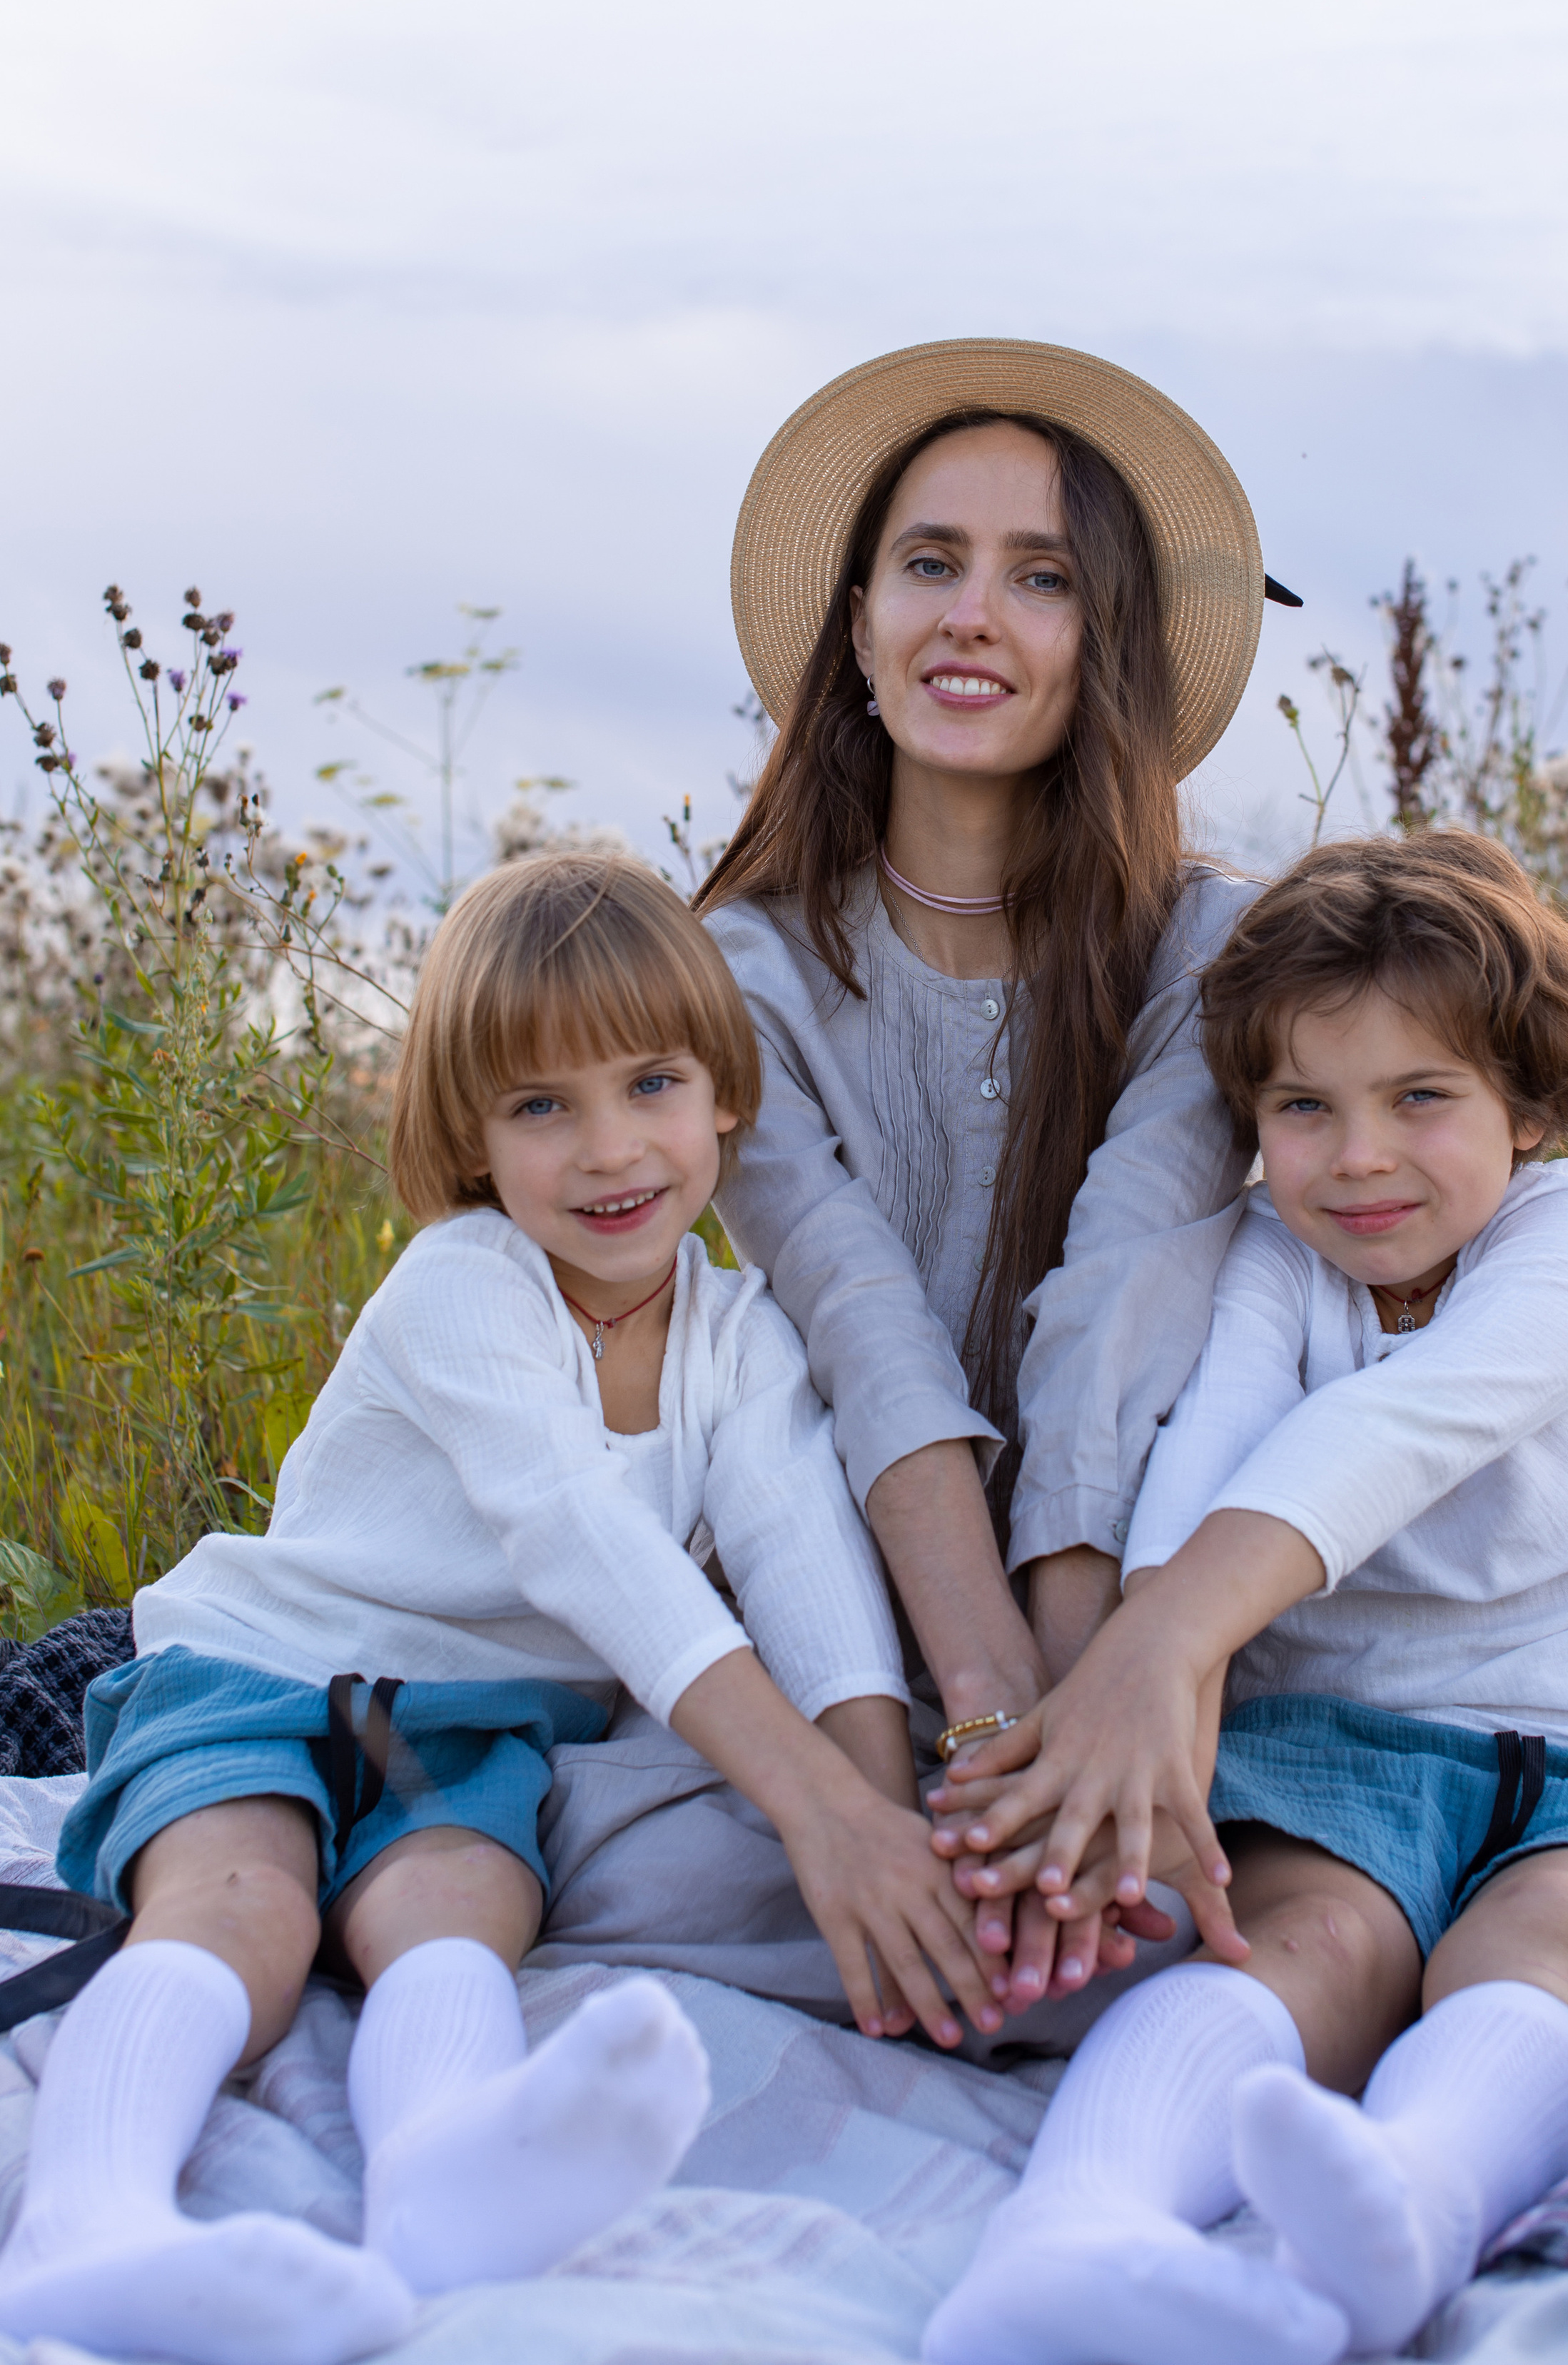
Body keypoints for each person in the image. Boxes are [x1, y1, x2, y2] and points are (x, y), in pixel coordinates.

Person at [0, 853, 992, 2365]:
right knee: (241, 1910)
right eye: (540, 1107)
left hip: (472, 1729)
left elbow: (805, 1567)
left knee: (458, 1919)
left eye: (649, 1083)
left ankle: (439, 2192)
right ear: (470, 1135)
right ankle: (90, 2220)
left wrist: (877, 1827)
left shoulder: (738, 1332)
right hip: (260, 1674)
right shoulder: (465, 1283)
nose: (609, 1150)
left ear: (725, 1093)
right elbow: (579, 1537)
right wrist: (808, 1812)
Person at [922, 828, 1568, 2365]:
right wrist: (1148, 1670)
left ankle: (1409, 2206)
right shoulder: (1271, 1254)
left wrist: (1160, 1645)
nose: (1356, 1156)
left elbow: (1392, 1432)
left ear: (1521, 1101)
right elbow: (1216, 1447)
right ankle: (1064, 2236)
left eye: (1417, 1097)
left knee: (1544, 1951)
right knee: (1300, 1950)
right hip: (1345, 1762)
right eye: (1302, 1107)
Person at [537, 338, 1288, 2024]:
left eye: (1041, 579)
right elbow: (856, 1319)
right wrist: (981, 1711)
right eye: (930, 564)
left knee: (1174, 1916)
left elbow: (1121, 1302)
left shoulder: (1208, 942)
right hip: (843, 1579)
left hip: (1134, 1587)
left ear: (1104, 640)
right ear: (857, 624)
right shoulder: (738, 970)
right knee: (654, 1891)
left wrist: (1076, 1712)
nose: (973, 617)